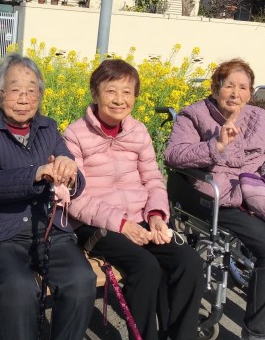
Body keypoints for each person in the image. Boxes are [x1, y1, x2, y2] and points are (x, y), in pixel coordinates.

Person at [164, 58, 265, 340]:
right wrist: (216, 146)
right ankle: (260, 335)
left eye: (243, 87)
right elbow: (174, 155)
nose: (235, 93)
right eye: (229, 86)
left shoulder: (255, 117)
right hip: (222, 199)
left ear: (250, 93)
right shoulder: (194, 116)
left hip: (261, 194)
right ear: (215, 88)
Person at [63, 59, 204, 340]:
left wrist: (156, 215)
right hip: (97, 226)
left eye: (127, 92)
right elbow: (75, 198)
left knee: (189, 262)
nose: (119, 100)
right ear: (95, 94)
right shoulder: (75, 134)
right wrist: (122, 224)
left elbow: (153, 180)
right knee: (146, 266)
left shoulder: (138, 131)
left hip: (141, 219)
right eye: (111, 91)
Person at [0, 53, 97, 340]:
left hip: (49, 230)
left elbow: (76, 182)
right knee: (20, 289)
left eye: (32, 90)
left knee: (81, 280)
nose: (24, 99)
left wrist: (70, 173)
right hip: (1, 235)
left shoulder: (48, 127)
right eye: (15, 90)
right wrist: (35, 174)